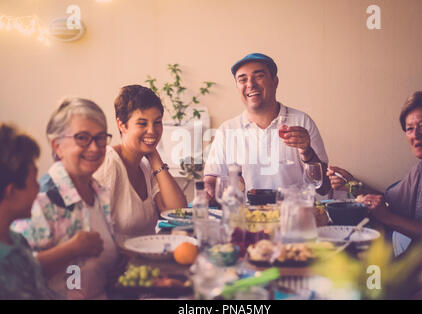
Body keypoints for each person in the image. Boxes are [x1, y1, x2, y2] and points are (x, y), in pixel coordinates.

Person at [12, 98, 119, 299]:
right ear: (57, 146)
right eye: (82, 137)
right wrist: (70, 249)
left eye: (100, 137)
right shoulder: (40, 198)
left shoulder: (99, 193)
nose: (95, 147)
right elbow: (15, 272)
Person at [327, 91, 422, 252]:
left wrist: (388, 218)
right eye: (409, 128)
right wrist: (351, 184)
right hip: (415, 262)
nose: (415, 134)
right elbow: (388, 201)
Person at [204, 53, 331, 198]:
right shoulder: (227, 130)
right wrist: (209, 190)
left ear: (274, 82)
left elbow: (324, 188)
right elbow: (211, 179)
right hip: (244, 218)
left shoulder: (301, 122)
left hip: (292, 216)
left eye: (258, 76)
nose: (250, 84)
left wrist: (307, 151)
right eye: (243, 79)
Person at [94, 85, 187, 241]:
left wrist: (156, 159)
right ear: (122, 125)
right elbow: (94, 230)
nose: (152, 131)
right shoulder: (108, 163)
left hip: (146, 259)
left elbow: (178, 212)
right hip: (119, 263)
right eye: (142, 123)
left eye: (157, 122)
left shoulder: (145, 165)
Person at [0, 124, 58, 299]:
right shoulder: (5, 269)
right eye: (33, 181)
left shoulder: (16, 239)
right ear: (11, 192)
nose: (39, 187)